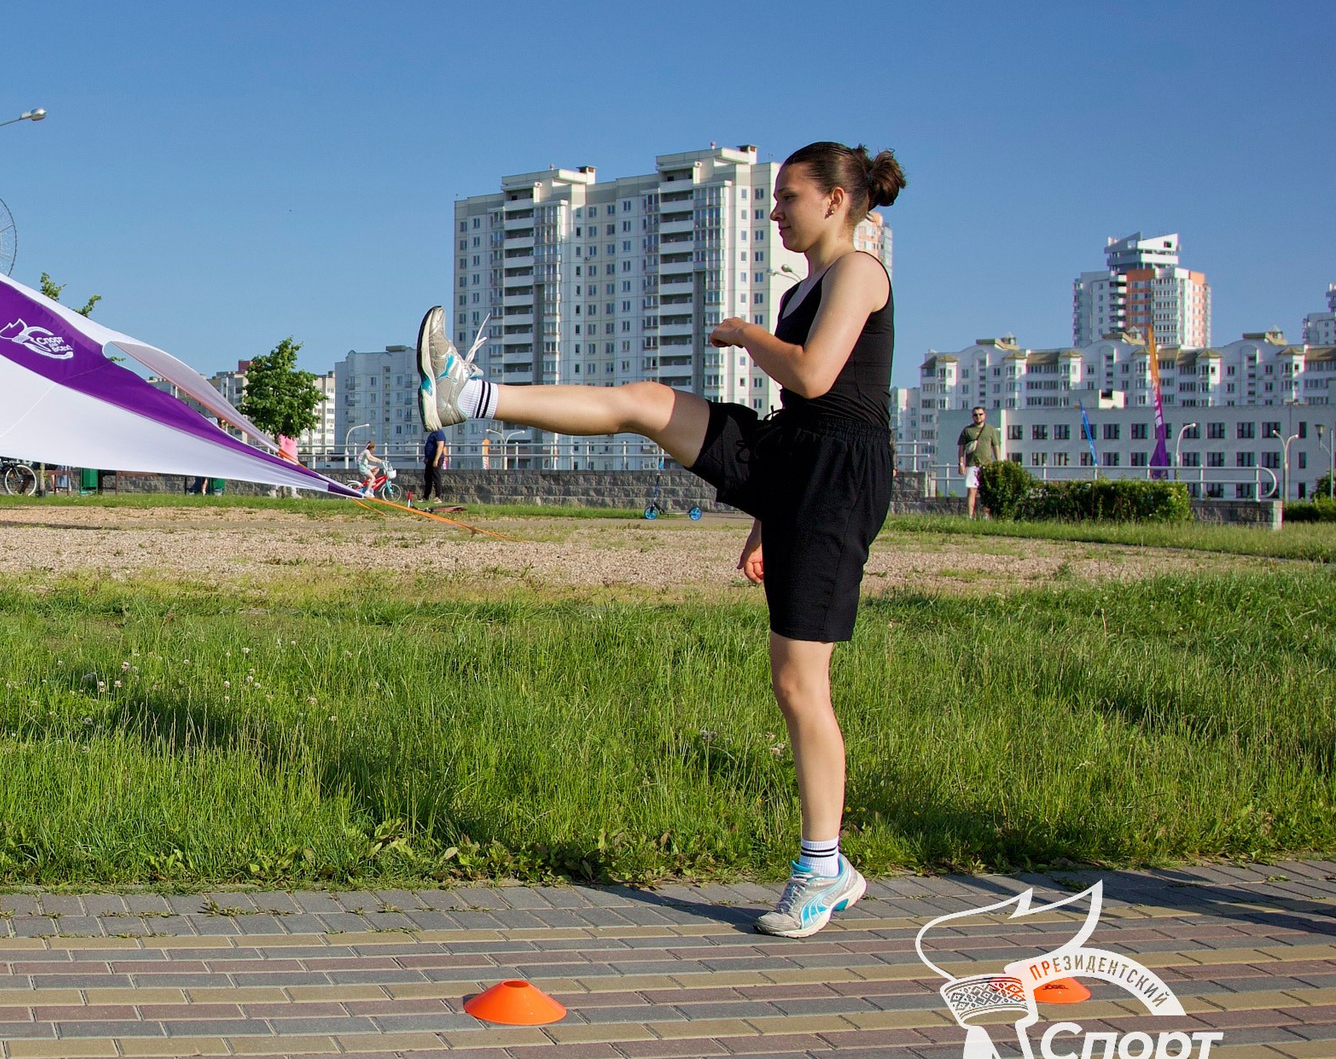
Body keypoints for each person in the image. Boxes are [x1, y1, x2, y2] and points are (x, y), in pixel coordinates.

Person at [415, 141, 905, 941]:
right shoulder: (805, 287)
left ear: (838, 199)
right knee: (645, 400)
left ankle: (825, 869)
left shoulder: (859, 272)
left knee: (798, 682)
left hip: (837, 480)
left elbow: (817, 377)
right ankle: (471, 394)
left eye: (788, 196)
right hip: (793, 466)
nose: (776, 210)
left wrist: (748, 335)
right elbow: (802, 406)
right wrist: (763, 517)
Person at [956, 405, 1001, 518]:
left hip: (987, 465)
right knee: (972, 491)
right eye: (975, 415)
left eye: (980, 414)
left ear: (984, 415)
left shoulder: (990, 430)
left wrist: (999, 464)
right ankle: (970, 516)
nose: (978, 417)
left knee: (986, 492)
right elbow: (961, 449)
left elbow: (996, 447)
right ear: (972, 416)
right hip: (972, 465)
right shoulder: (967, 430)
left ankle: (986, 516)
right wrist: (961, 464)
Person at [421, 426, 450, 503]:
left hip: (436, 459)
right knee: (428, 478)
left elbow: (440, 447)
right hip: (430, 459)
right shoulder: (433, 433)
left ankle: (438, 497)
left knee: (436, 477)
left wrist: (436, 460)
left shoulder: (439, 433)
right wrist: (427, 457)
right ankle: (426, 496)